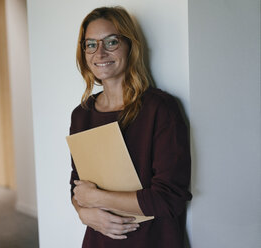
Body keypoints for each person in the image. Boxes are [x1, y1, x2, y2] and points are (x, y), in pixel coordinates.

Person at [69, 6, 192, 248]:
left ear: (130, 46)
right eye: (91, 44)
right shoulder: (81, 115)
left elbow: (170, 199)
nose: (100, 52)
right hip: (99, 241)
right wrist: (82, 212)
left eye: (111, 42)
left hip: (152, 240)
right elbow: (77, 187)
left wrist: (97, 198)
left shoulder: (160, 108)